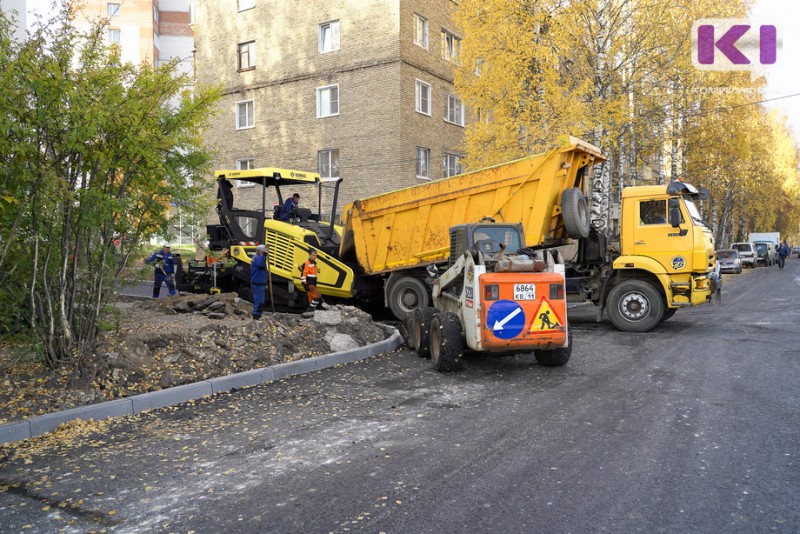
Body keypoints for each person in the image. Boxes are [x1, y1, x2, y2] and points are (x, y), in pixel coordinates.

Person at [250, 244, 269, 319]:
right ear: (262, 251)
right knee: (259, 299)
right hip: (257, 282)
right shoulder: (257, 258)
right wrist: (265, 256)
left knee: (260, 300)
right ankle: (256, 315)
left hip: (260, 282)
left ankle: (258, 314)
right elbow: (261, 264)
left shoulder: (259, 257)